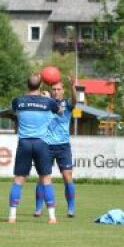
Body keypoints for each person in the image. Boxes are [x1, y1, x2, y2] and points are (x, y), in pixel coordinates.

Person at [7, 73, 66, 224]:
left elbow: (14, 112)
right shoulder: (48, 103)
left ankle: (12, 216)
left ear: (27, 85)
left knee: (19, 179)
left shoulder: (18, 101)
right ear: (40, 86)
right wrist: (47, 98)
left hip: (24, 143)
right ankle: (52, 217)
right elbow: (60, 111)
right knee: (46, 179)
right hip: (41, 143)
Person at [36, 81, 76, 218]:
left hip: (63, 146)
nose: (56, 91)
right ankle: (38, 208)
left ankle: (71, 209)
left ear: (63, 91)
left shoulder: (68, 104)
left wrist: (73, 87)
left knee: (67, 176)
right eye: (54, 89)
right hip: (46, 145)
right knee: (43, 178)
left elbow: (75, 101)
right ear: (51, 90)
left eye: (59, 89)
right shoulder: (45, 103)